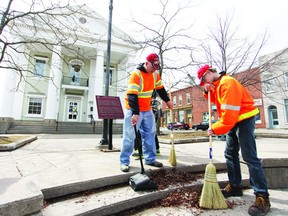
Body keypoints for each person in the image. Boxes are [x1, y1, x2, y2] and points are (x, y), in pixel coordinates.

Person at [197, 65, 270, 216]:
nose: (204, 82)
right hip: (233, 120)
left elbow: (229, 117)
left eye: (204, 79)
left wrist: (215, 129)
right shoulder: (217, 85)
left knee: (249, 156)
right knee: (230, 153)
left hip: (244, 118)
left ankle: (262, 196)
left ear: (209, 72)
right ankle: (235, 186)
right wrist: (206, 91)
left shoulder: (228, 83)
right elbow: (215, 97)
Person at [120, 53, 173, 172]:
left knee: (150, 134)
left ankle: (150, 159)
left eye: (157, 67)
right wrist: (135, 113)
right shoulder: (136, 75)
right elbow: (132, 95)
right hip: (133, 110)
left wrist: (168, 100)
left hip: (147, 109)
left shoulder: (155, 74)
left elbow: (161, 89)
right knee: (129, 137)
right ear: (147, 63)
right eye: (153, 66)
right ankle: (124, 162)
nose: (154, 69)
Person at [132, 90, 161, 159]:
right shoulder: (153, 88)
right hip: (150, 111)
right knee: (150, 131)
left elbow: (156, 102)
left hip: (149, 111)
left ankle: (140, 151)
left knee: (141, 131)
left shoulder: (153, 89)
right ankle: (156, 149)